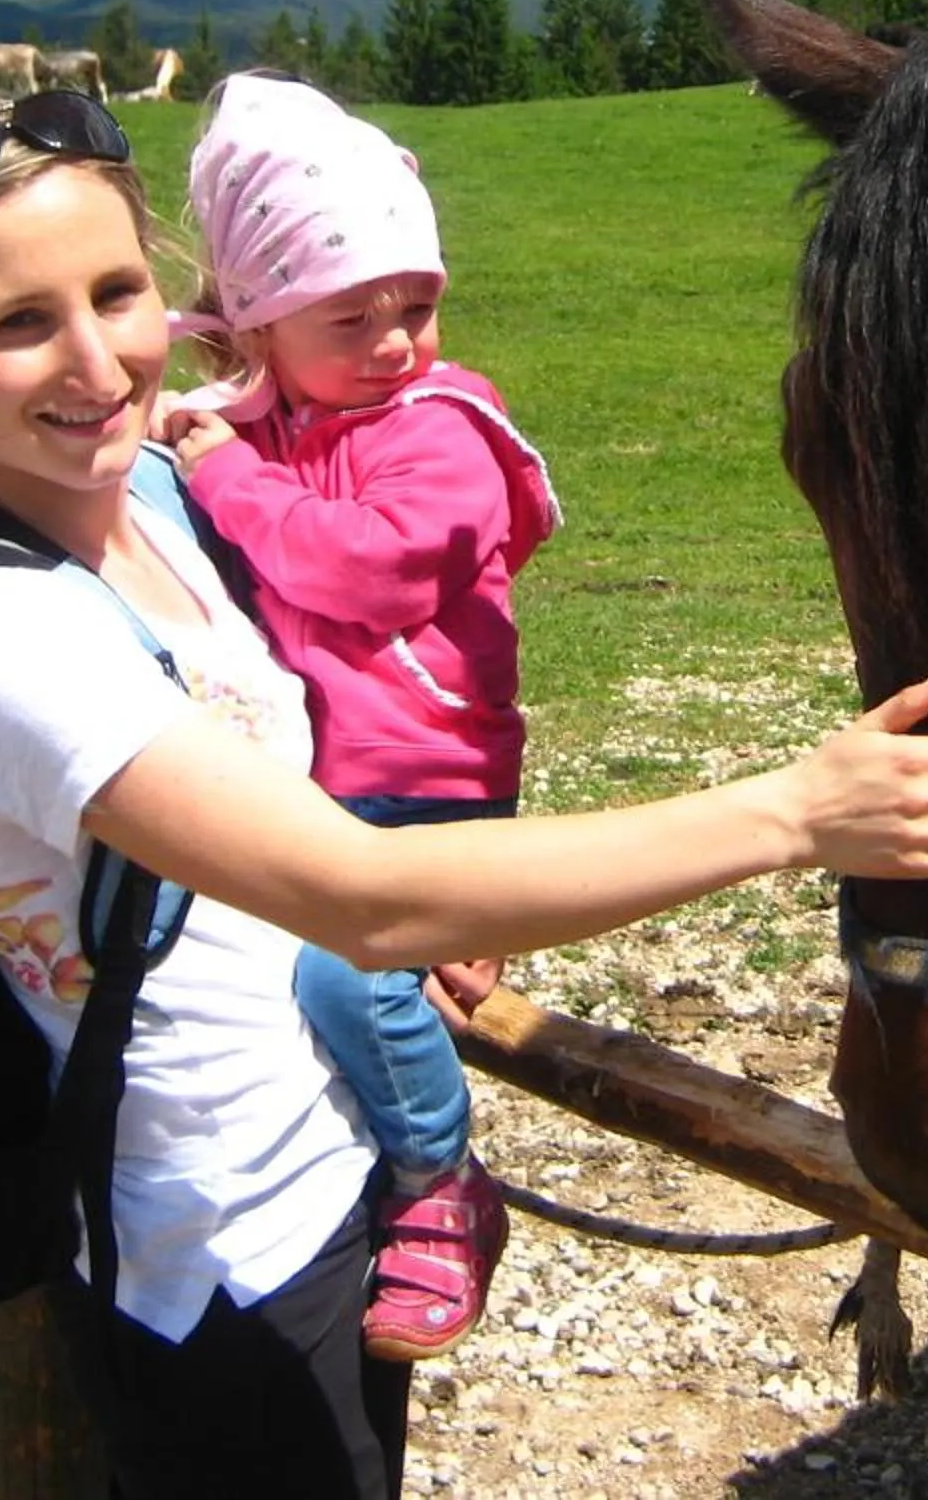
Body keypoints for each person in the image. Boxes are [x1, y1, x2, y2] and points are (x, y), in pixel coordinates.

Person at [0, 87, 928, 1500]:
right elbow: (359, 892)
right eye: (21, 323)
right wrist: (796, 811)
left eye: (118, 292)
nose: (96, 358)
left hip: (318, 1168)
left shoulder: (147, 491)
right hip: (218, 1258)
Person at [158, 71, 549, 1361]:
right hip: (339, 777)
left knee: (349, 968)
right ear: (264, 324)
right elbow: (215, 436)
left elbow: (360, 569)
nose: (395, 341)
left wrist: (226, 482)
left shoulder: (436, 432)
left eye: (418, 306)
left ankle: (440, 1183)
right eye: (353, 315)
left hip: (423, 779)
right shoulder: (295, 414)